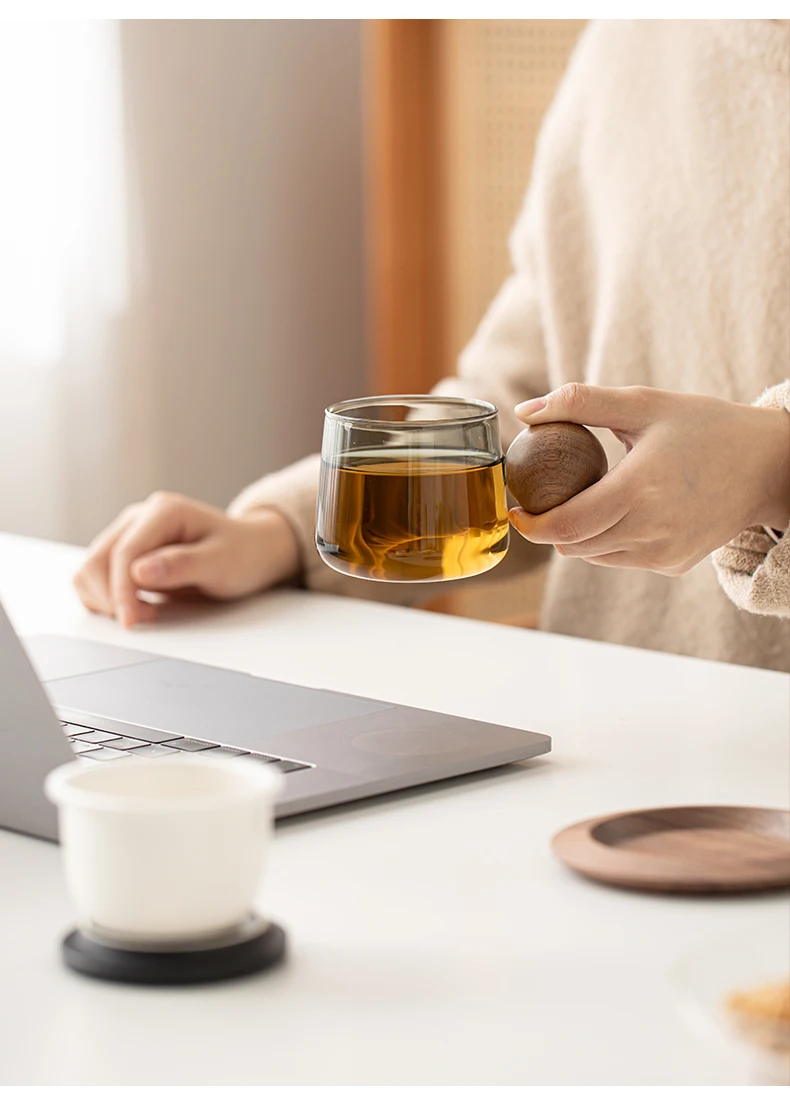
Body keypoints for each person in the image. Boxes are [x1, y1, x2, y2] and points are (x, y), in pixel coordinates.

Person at [74, 20, 790, 672]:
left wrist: (770, 466)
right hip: (616, 727)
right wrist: (281, 534)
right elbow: (523, 412)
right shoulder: (630, 41)